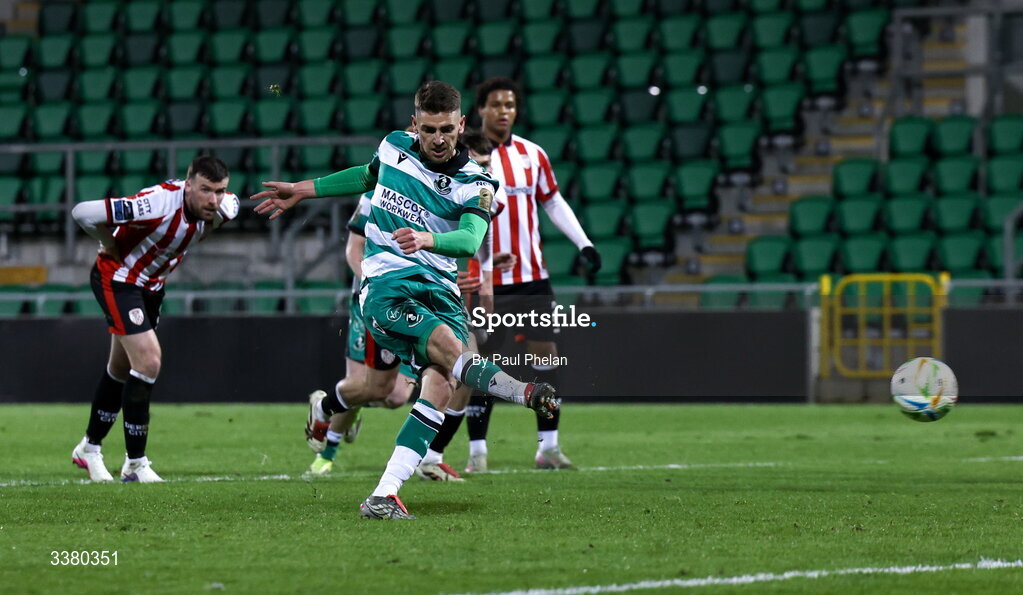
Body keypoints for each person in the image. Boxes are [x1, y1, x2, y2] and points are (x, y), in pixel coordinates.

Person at [252, 81, 559, 519]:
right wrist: (304, 189)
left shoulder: (478, 183)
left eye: (447, 130)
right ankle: (525, 392)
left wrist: (428, 238)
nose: (438, 139)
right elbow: (367, 175)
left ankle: (384, 494)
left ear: (462, 125)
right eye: (430, 128)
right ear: (414, 124)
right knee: (443, 359)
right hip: (388, 285)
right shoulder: (394, 145)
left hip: (442, 291)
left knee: (441, 382)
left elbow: (471, 240)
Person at [70, 156, 239, 483]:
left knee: (120, 369)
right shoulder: (154, 204)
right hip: (118, 279)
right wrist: (108, 243)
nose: (213, 199)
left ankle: (89, 449)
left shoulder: (223, 208)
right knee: (148, 362)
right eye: (205, 190)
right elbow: (83, 213)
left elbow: (211, 220)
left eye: (219, 191)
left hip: (151, 289)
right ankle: (135, 463)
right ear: (188, 184)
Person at [464, 77, 602, 472]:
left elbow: (553, 201)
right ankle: (477, 454)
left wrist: (584, 243)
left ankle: (549, 448)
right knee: (483, 365)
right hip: (487, 281)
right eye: (496, 104)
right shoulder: (469, 157)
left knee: (547, 359)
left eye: (510, 104)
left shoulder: (532, 154)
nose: (504, 110)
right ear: (481, 110)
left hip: (533, 278)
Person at [413, 129, 516, 480]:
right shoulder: (432, 188)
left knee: (458, 376)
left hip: (457, 296)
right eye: (479, 162)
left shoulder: (485, 193)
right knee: (394, 389)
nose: (486, 171)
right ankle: (426, 455)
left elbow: (481, 242)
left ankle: (429, 455)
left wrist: (486, 287)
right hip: (419, 292)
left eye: (489, 164)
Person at [304, 190, 418, 476]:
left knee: (395, 397)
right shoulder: (373, 197)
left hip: (413, 304)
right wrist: (377, 287)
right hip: (371, 302)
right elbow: (353, 250)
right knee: (359, 383)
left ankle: (335, 403)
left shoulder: (428, 194)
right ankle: (327, 454)